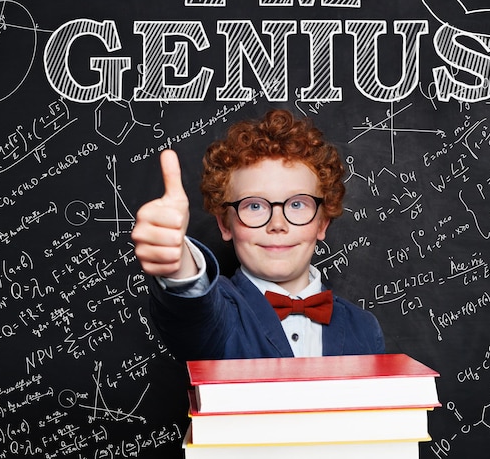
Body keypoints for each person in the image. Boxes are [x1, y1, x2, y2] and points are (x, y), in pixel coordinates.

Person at [132, 109, 384, 361]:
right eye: (254, 206)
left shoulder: (364, 328)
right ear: (225, 225)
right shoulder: (219, 316)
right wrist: (179, 266)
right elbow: (193, 312)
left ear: (322, 224)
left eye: (297, 204)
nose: (277, 223)